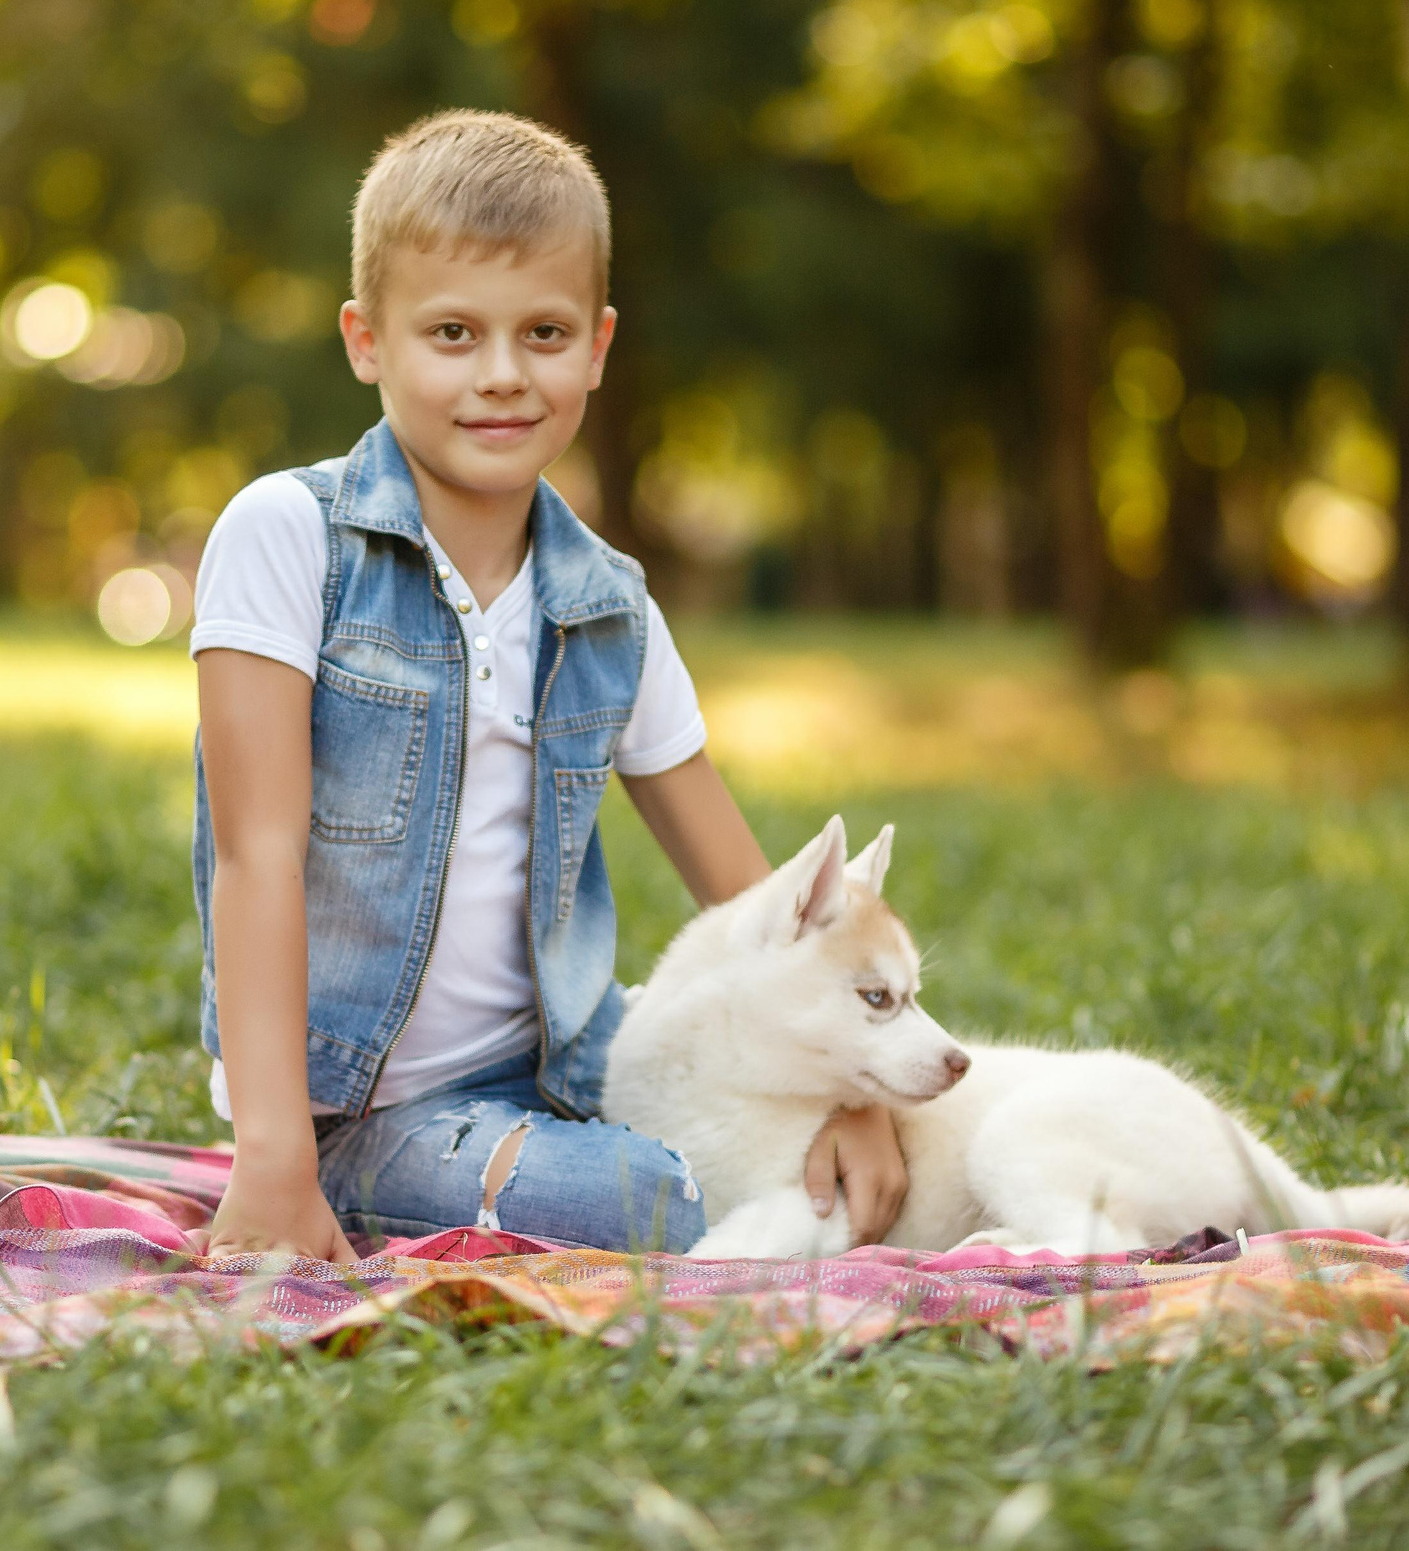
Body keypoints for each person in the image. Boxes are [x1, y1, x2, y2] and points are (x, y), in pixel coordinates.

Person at [189, 110, 908, 1261]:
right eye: (454, 333)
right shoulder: (289, 538)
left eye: (544, 332)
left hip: (571, 1071)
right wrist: (275, 1160)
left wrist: (855, 1098)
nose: (503, 376)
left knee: (866, 1150)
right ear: (366, 339)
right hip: (360, 1116)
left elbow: (756, 905)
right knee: (641, 1204)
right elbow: (254, 857)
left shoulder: (607, 604)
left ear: (598, 346)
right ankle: (721, 1213)